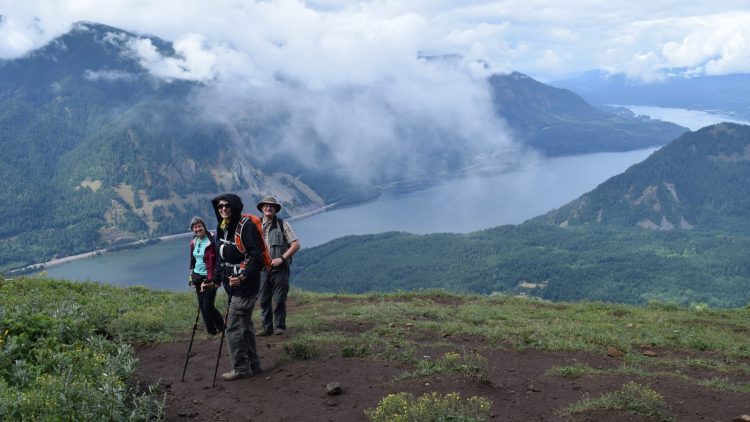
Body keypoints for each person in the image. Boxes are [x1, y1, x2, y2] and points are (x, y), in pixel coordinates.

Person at [211, 193, 265, 381]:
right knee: (245, 325)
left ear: (235, 207)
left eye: (227, 205)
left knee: (233, 327)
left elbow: (257, 258)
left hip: (245, 287)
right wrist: (215, 280)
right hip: (231, 285)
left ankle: (241, 369)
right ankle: (254, 365)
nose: (223, 209)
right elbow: (221, 258)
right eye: (220, 207)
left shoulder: (246, 227)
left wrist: (242, 277)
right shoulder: (223, 228)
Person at [256, 197, 300, 336]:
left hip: (280, 269)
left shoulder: (282, 224)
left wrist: (282, 258)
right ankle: (266, 327)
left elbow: (296, 244)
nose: (269, 208)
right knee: (263, 299)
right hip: (262, 269)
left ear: (275, 209)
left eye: (271, 206)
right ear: (262, 208)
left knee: (279, 298)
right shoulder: (254, 225)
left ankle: (280, 326)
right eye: (266, 206)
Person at [188, 216, 224, 335]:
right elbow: (193, 259)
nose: (198, 228)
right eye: (195, 227)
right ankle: (211, 329)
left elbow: (219, 259)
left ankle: (222, 327)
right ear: (193, 229)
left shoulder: (212, 240)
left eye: (199, 226)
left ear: (204, 226)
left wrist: (215, 277)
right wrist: (191, 275)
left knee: (208, 305)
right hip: (197, 276)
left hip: (209, 276)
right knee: (202, 305)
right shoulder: (194, 241)